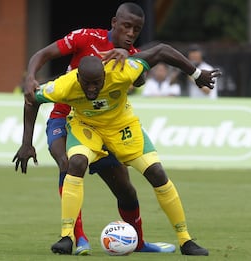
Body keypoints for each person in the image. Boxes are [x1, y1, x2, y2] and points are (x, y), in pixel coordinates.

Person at [13, 43, 221, 256]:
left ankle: (185, 240)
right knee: (75, 163)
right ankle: (67, 236)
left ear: (105, 75)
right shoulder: (64, 85)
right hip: (87, 128)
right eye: (87, 84)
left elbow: (162, 51)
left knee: (157, 173)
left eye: (97, 83)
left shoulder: (122, 71)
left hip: (122, 126)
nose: (92, 89)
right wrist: (27, 142)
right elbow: (31, 99)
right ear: (78, 79)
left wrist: (196, 74)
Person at [17, 2, 175, 255]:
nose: (131, 32)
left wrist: (135, 63)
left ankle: (139, 242)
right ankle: (75, 238)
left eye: (136, 29)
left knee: (124, 189)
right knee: (68, 163)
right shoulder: (85, 37)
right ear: (114, 23)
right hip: (64, 115)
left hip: (101, 125)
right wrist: (30, 78)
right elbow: (43, 54)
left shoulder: (131, 54)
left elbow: (142, 78)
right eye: (127, 26)